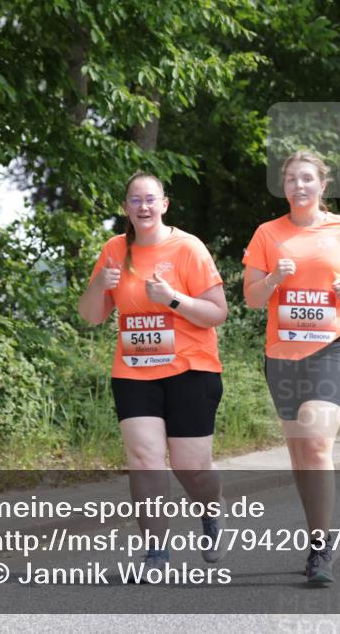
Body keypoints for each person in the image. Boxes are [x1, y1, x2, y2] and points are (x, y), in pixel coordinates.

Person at [78, 171, 228, 576]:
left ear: (164, 205)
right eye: (135, 200)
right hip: (134, 371)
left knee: (190, 467)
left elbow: (218, 312)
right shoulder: (114, 249)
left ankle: (210, 511)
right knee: (145, 459)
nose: (143, 207)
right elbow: (91, 316)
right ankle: (156, 553)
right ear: (125, 207)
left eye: (150, 199)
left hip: (190, 369)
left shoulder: (188, 248)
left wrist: (173, 299)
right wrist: (99, 285)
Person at [243, 151, 340, 583]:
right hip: (283, 354)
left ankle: (319, 547)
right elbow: (252, 298)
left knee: (316, 442)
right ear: (283, 186)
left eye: (306, 179)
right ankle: (319, 535)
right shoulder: (267, 233)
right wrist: (273, 279)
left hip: (334, 346)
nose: (298, 186)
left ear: (322, 185)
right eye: (291, 179)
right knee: (301, 453)